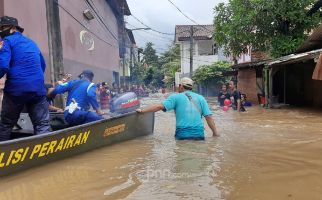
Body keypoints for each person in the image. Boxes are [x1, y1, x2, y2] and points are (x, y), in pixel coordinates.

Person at [0, 16, 50, 141]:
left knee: (6, 124)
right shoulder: (32, 43)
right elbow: (42, 65)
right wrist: (33, 80)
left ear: (12, 28)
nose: (0, 31)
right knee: (42, 125)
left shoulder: (7, 41)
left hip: (16, 90)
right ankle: (44, 155)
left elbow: (3, 65)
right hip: (37, 89)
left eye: (2, 28)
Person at [136, 77, 219, 140]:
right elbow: (209, 117)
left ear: (180, 86)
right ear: (191, 87)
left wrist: (142, 110)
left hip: (182, 134)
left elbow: (158, 106)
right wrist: (215, 133)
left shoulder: (175, 97)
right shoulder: (201, 98)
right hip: (199, 134)